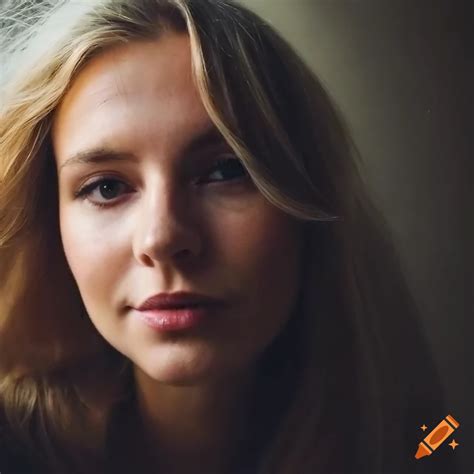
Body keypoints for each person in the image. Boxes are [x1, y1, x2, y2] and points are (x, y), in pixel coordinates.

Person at [0, 1, 459, 473]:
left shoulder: (423, 449)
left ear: (307, 196)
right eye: (107, 187)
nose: (161, 238)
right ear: (49, 220)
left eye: (225, 170)